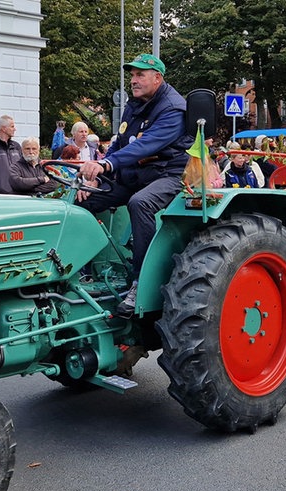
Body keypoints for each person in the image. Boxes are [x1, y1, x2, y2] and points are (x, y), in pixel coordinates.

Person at [76, 53, 192, 318]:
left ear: (157, 78)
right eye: (132, 75)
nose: (133, 80)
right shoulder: (134, 104)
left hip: (168, 174)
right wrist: (97, 174)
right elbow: (120, 141)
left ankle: (142, 282)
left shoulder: (173, 108)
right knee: (82, 199)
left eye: (140, 74)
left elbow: (145, 145)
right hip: (135, 174)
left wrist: (106, 166)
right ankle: (74, 272)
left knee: (141, 203)